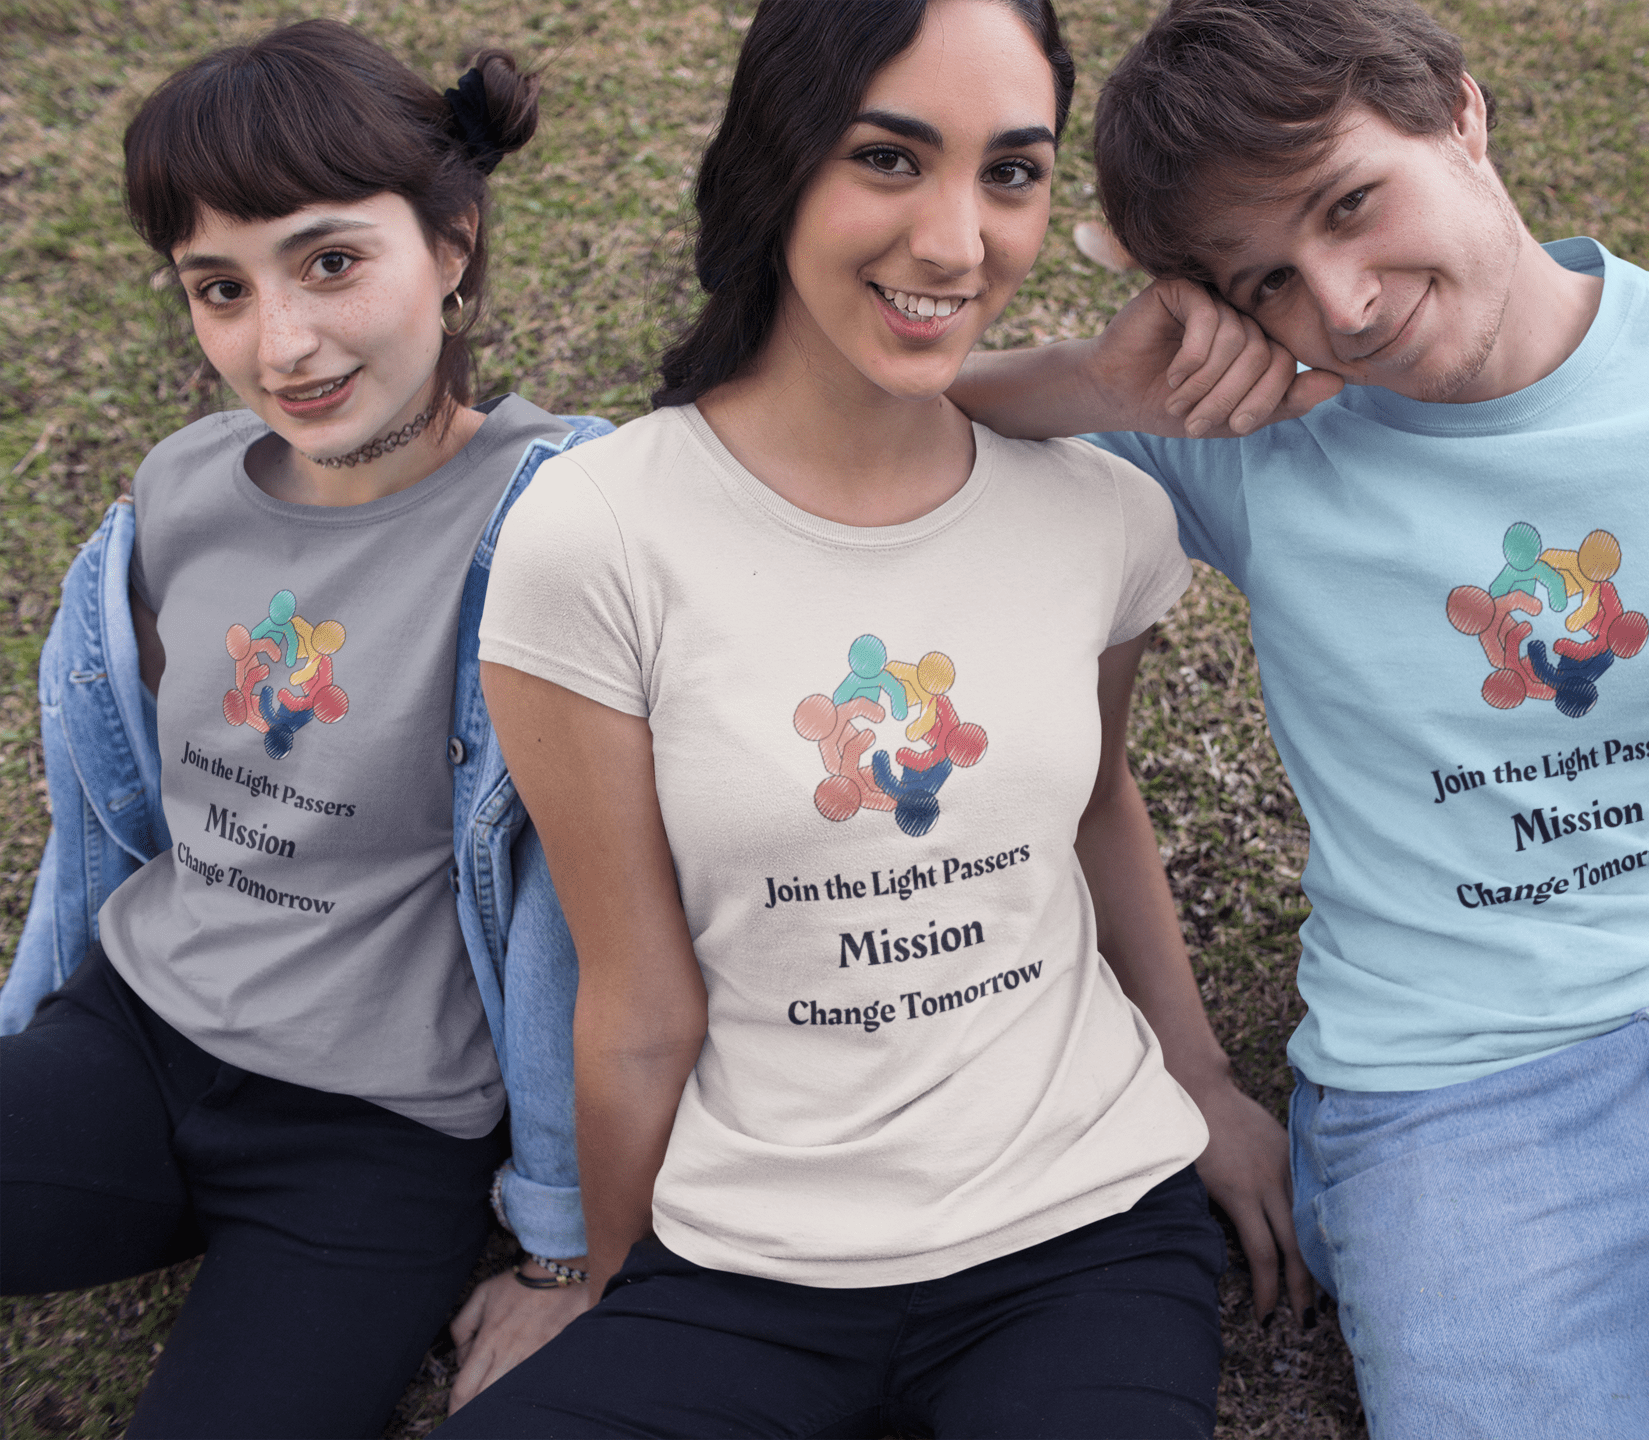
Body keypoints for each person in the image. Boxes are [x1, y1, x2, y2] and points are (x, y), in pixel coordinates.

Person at [948, 0, 1649, 1434]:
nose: (1340, 302)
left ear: (1458, 112)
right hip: (1454, 1105)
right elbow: (880, 442)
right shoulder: (1256, 448)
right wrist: (1101, 380)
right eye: (1269, 279)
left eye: (1352, 203)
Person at [438, 1, 1304, 1434]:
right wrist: (606, 1281)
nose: (959, 242)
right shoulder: (594, 534)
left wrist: (1200, 1076)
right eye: (890, 159)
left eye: (1012, 173)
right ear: (780, 161)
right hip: (741, 1265)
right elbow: (637, 1000)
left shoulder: (1101, 514)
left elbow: (1094, 807)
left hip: (1082, 1233)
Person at [0, 21, 612, 1437]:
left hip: (376, 1142)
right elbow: (111, 814)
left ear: (452, 241)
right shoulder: (182, 489)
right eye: (221, 287)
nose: (281, 343)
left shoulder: (570, 511)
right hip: (136, 1042)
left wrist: (564, 1243)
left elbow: (599, 917)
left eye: (331, 261)